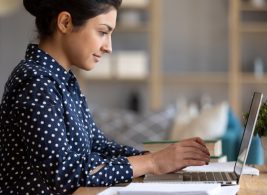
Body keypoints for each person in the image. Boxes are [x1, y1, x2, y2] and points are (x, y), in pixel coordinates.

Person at [0, 0, 210, 194]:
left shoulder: (63, 81)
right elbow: (65, 173)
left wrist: (154, 158)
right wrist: (152, 163)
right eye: (102, 32)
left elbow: (97, 145)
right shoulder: (36, 81)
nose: (108, 47)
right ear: (65, 22)